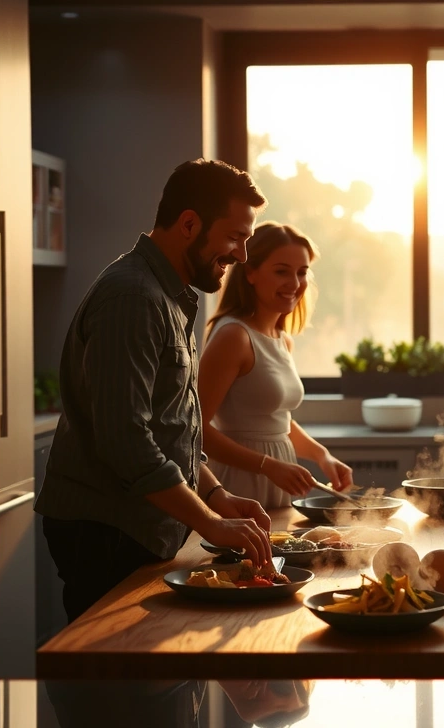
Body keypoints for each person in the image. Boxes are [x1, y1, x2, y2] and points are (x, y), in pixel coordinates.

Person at [36, 159, 274, 624]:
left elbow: (172, 427)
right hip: (105, 531)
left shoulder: (172, 295)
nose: (243, 255)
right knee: (117, 680)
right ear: (189, 224)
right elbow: (127, 442)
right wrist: (209, 522)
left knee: (149, 678)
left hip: (135, 527)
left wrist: (217, 495)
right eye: (235, 237)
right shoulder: (134, 298)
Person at [198, 222, 353, 508]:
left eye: (302, 272)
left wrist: (321, 455)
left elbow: (275, 422)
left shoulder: (283, 339)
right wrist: (267, 465)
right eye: (282, 271)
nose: (295, 283)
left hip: (278, 479)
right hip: (239, 483)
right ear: (251, 272)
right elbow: (195, 431)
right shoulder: (234, 336)